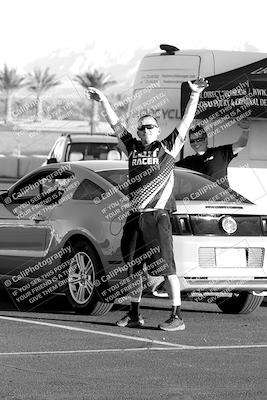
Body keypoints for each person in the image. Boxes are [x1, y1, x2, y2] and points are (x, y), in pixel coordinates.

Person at [85, 77, 208, 331]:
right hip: (135, 216)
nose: (145, 131)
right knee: (133, 269)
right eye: (141, 128)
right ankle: (134, 314)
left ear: (157, 130)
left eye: (150, 127)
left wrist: (194, 94)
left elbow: (185, 122)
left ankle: (177, 316)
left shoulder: (168, 148)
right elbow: (115, 124)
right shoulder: (131, 148)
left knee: (166, 268)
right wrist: (104, 101)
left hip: (157, 216)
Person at [175, 119, 250, 186]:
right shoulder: (189, 161)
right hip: (199, 200)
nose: (195, 143)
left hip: (221, 200)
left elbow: (241, 144)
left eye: (199, 140)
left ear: (206, 139)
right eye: (192, 141)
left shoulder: (219, 153)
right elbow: (169, 169)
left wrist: (246, 129)